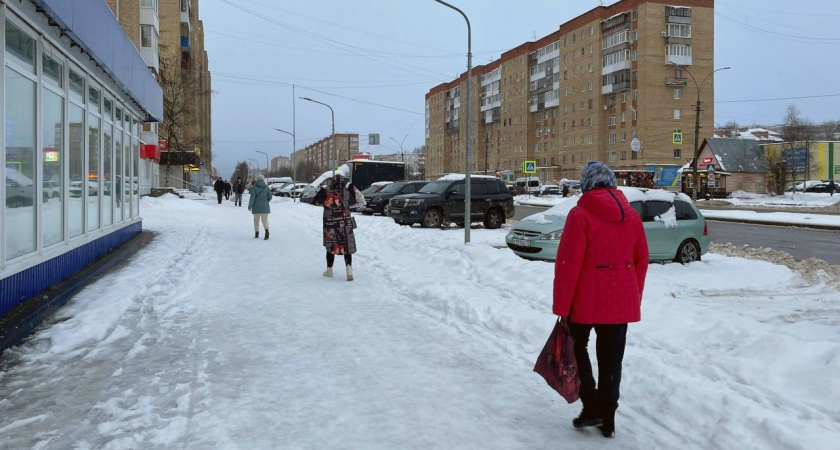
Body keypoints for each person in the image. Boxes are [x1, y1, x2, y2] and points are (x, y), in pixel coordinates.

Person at [552, 161, 649, 439]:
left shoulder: (580, 214)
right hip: (621, 301)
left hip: (585, 300)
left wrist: (562, 306)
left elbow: (568, 264)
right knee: (612, 360)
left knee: (575, 347)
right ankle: (608, 419)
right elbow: (642, 259)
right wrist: (634, 295)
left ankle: (591, 403)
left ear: (586, 184)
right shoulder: (631, 216)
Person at [313, 174, 357, 281]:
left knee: (331, 246)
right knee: (346, 247)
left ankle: (329, 270)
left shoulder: (327, 192)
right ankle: (349, 270)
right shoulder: (346, 193)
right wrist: (351, 190)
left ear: (331, 182)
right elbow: (353, 202)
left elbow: (315, 201)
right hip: (345, 224)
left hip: (330, 225)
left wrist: (322, 191)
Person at [248, 174, 272, 240]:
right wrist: (266, 201)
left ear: (257, 180)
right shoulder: (266, 187)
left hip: (256, 207)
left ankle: (256, 233)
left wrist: (250, 206)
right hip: (265, 207)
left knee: (256, 220)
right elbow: (270, 196)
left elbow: (252, 198)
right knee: (265, 220)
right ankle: (267, 231)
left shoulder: (254, 188)